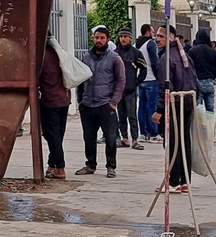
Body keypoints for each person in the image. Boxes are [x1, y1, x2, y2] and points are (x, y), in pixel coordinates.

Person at [76, 26, 125, 178]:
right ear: (93, 38)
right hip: (88, 104)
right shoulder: (86, 57)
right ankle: (90, 165)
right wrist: (80, 101)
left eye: (102, 38)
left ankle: (111, 166)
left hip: (106, 105)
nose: (99, 40)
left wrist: (114, 101)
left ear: (108, 40)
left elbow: (121, 80)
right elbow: (81, 79)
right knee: (89, 137)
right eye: (97, 37)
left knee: (110, 138)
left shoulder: (115, 58)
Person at [152, 28, 198, 192]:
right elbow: (195, 82)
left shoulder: (167, 58)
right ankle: (185, 181)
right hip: (186, 104)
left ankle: (174, 182)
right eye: (157, 36)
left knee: (173, 143)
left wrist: (159, 110)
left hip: (174, 105)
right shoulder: (184, 56)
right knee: (184, 141)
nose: (158, 39)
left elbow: (165, 87)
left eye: (161, 36)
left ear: (170, 38)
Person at [40, 37, 71, 179]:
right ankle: (51, 165)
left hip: (49, 101)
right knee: (58, 136)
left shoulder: (41, 57)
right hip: (64, 99)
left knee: (52, 137)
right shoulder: (60, 53)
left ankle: (60, 167)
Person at [114, 28, 144, 150]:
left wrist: (136, 82)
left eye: (125, 36)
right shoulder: (115, 53)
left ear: (130, 38)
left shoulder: (136, 53)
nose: (123, 39)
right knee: (121, 115)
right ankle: (124, 139)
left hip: (131, 90)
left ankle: (135, 139)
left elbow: (144, 68)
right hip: (119, 90)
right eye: (121, 37)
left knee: (132, 115)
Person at [187, 29, 216, 114]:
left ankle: (200, 127)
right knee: (210, 111)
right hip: (210, 83)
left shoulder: (192, 51)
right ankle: (210, 126)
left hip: (197, 83)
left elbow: (189, 68)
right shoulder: (213, 52)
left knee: (198, 112)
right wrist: (213, 76)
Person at [136, 24, 160, 141]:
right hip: (151, 78)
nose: (154, 34)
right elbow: (154, 61)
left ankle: (143, 133)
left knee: (141, 106)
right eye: (152, 31)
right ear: (147, 32)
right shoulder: (150, 44)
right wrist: (158, 75)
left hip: (140, 79)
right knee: (152, 107)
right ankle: (153, 133)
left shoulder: (136, 44)